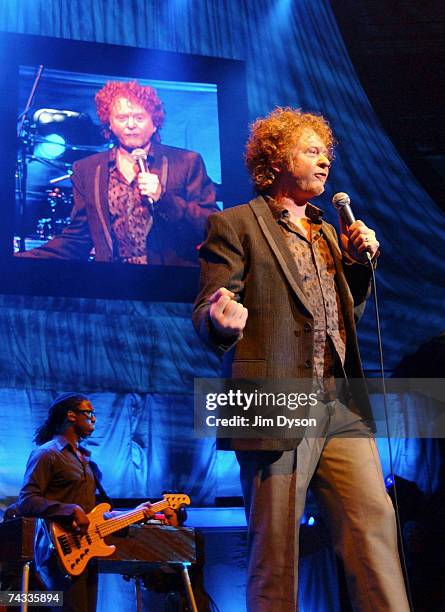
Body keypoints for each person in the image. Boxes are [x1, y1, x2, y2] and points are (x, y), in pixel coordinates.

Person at [192, 108, 410, 610]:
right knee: (276, 548)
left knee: (373, 526)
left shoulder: (329, 231)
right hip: (275, 398)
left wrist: (358, 264)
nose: (324, 162)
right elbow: (209, 304)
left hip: (340, 400)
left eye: (326, 154)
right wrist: (219, 320)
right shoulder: (235, 224)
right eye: (312, 151)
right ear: (275, 160)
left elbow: (341, 310)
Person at [17, 81, 218, 265]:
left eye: (139, 117)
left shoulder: (186, 162)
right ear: (110, 124)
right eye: (122, 118)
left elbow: (211, 228)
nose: (131, 125)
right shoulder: (87, 170)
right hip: (113, 284)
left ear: (154, 122)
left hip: (168, 283)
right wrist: (18, 259)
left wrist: (164, 199)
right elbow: (77, 238)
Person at [17, 393, 177, 612]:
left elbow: (95, 515)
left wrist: (135, 513)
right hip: (57, 553)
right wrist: (70, 510)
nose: (94, 418)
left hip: (84, 554)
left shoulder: (87, 463)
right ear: (71, 415)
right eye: (89, 413)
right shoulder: (47, 454)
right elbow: (27, 500)